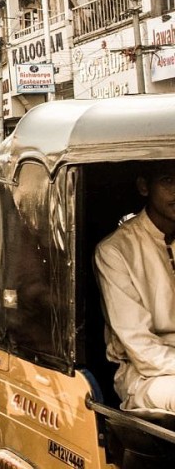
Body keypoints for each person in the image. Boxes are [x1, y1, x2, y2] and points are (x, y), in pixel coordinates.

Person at [94, 160, 175, 412]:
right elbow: (139, 345)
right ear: (144, 187)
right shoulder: (115, 251)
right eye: (168, 181)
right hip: (146, 375)